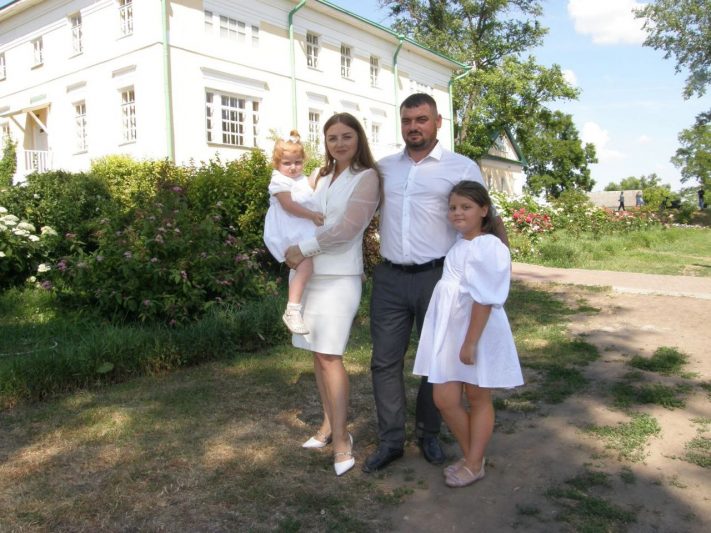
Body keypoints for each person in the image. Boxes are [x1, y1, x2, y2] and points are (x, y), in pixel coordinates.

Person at [363, 93, 508, 474]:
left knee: (437, 362)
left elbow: (487, 216)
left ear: (438, 122)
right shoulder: (384, 169)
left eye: (422, 119)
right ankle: (391, 440)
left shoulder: (461, 166)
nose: (414, 127)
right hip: (390, 277)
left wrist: (497, 269)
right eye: (407, 120)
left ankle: (429, 433)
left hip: (439, 277)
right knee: (384, 360)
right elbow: (356, 208)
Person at [284, 113, 380, 476]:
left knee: (330, 354)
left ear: (359, 139)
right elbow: (298, 212)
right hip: (309, 275)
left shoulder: (367, 177)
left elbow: (347, 230)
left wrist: (302, 248)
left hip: (340, 276)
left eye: (346, 136)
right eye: (332, 138)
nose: (339, 143)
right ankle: (327, 426)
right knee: (316, 353)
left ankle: (342, 440)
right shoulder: (320, 175)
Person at [413, 181, 523, 487]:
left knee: (477, 397)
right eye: (452, 207)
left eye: (466, 207)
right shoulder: (459, 243)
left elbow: (484, 299)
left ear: (484, 210)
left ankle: (473, 463)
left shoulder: (488, 246)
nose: (457, 212)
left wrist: (471, 342)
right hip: (450, 330)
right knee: (444, 398)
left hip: (476, 330)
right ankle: (474, 457)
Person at [263, 131, 325, 335]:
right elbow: (288, 205)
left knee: (316, 259)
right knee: (306, 266)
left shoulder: (301, 180)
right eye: (287, 163)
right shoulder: (279, 181)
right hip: (287, 231)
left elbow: (312, 187)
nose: (293, 167)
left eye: (297, 162)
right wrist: (311, 215)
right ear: (277, 163)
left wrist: (321, 172)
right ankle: (292, 309)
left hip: (301, 229)